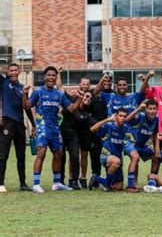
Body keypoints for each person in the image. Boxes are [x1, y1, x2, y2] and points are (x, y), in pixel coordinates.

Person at [22, 66, 83, 194]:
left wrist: (79, 98)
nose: (51, 77)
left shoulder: (59, 94)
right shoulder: (38, 92)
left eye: (53, 75)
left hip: (55, 129)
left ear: (56, 78)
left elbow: (71, 109)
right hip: (42, 128)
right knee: (41, 153)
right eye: (48, 75)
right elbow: (27, 105)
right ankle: (36, 184)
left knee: (59, 154)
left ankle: (56, 183)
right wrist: (24, 94)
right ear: (44, 77)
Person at [0, 63, 35, 193]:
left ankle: (23, 183)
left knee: (21, 156)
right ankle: (0, 183)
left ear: (19, 71)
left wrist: (34, 124)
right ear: (8, 72)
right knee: (3, 155)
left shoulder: (22, 88)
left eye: (16, 70)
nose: (14, 72)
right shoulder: (3, 83)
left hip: (20, 125)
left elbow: (27, 108)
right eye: (11, 70)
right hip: (7, 123)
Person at [59, 91, 95, 190]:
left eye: (91, 99)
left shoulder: (86, 114)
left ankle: (74, 181)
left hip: (73, 136)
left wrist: (109, 121)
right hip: (62, 133)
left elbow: (95, 124)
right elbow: (60, 88)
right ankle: (60, 180)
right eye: (87, 96)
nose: (88, 99)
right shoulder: (71, 102)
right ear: (82, 97)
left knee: (75, 156)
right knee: (61, 157)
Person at [123, 100, 159, 193]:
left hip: (141, 145)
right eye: (150, 109)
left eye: (154, 109)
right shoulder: (140, 116)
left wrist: (156, 149)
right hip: (130, 141)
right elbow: (127, 119)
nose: (152, 111)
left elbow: (155, 135)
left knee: (156, 157)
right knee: (135, 157)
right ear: (146, 109)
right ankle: (132, 184)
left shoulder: (157, 120)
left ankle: (152, 181)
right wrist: (138, 109)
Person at [88, 108, 128, 192]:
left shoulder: (125, 128)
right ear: (116, 116)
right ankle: (107, 185)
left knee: (118, 187)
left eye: (124, 116)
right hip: (106, 156)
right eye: (120, 115)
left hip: (118, 159)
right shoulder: (109, 126)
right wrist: (108, 119)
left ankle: (97, 179)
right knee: (116, 161)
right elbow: (92, 129)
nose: (122, 118)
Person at [88, 72, 114, 185]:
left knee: (108, 154)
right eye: (105, 80)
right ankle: (95, 177)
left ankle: (108, 178)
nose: (107, 83)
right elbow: (95, 91)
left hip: (109, 130)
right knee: (95, 154)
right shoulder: (95, 93)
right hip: (96, 128)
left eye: (109, 81)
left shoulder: (114, 94)